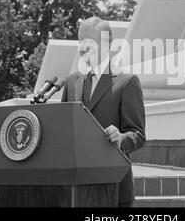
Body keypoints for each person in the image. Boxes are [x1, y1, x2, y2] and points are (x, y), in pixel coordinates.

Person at [61, 17, 146, 207]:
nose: (83, 48)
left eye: (89, 42)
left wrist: (121, 138)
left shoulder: (127, 82)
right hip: (75, 187)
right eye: (80, 42)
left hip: (113, 187)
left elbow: (138, 135)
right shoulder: (71, 82)